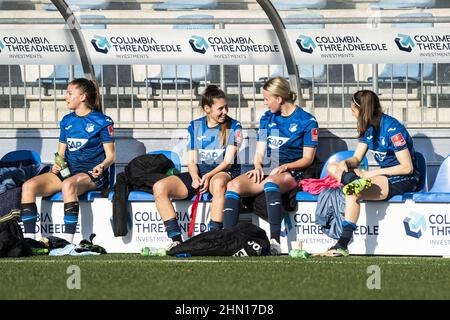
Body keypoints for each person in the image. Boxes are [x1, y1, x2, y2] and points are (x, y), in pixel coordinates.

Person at [222, 77, 319, 255]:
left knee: (271, 183)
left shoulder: (307, 121)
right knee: (233, 185)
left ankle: (275, 241)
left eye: (267, 99)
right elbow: (259, 153)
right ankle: (226, 240)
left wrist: (286, 166)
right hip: (269, 168)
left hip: (293, 171)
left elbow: (308, 159)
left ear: (279, 98)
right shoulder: (267, 118)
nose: (264, 103)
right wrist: (258, 165)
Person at [324, 90, 423, 257]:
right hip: (381, 177)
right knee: (333, 167)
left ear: (362, 111)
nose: (352, 114)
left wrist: (373, 173)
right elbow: (356, 158)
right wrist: (346, 163)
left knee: (353, 191)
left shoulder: (393, 128)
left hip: (404, 178)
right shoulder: (367, 128)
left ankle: (342, 244)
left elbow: (407, 168)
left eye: (353, 110)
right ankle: (353, 181)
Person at [20, 78, 115, 243]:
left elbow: (111, 156)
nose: (66, 97)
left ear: (83, 96)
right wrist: (57, 164)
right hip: (67, 172)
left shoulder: (103, 121)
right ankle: (28, 240)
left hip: (92, 175)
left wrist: (102, 166)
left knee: (68, 184)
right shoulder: (66, 121)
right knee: (29, 186)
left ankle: (67, 241)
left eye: (70, 93)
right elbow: (61, 153)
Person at [152, 85, 242, 247]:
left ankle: (214, 238)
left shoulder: (234, 126)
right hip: (200, 174)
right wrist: (195, 177)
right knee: (159, 187)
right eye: (220, 108)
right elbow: (191, 160)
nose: (225, 112)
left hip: (223, 172)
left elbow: (228, 162)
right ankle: (176, 241)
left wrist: (208, 176)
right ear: (207, 108)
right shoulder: (195, 126)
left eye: (226, 107)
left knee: (218, 183)